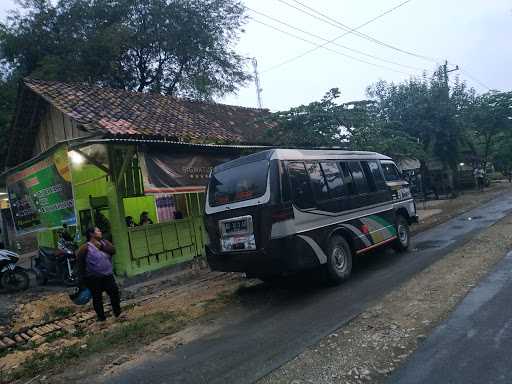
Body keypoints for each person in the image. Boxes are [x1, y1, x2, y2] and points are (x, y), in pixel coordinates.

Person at [77, 227, 122, 322]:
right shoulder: (85, 247)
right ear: (91, 234)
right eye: (98, 231)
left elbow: (113, 251)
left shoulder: (105, 242)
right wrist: (82, 280)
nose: (100, 232)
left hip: (107, 276)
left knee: (114, 293)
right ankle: (102, 319)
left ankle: (118, 314)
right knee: (97, 298)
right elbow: (80, 264)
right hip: (93, 278)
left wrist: (101, 246)